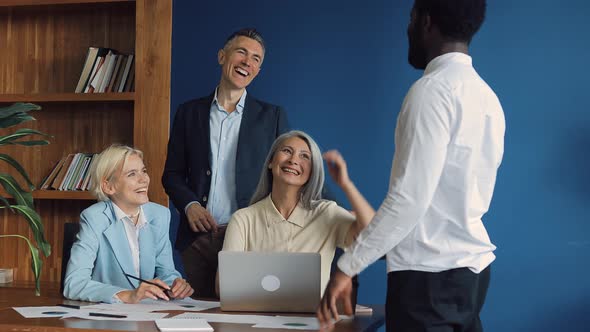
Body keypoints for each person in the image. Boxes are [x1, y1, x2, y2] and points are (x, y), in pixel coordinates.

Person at [318, 0, 505, 331]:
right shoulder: (487, 97)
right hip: (471, 274)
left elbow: (408, 199)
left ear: (426, 22)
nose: (408, 27)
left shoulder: (430, 92)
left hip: (428, 280)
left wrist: (346, 267)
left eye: (411, 17)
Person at [162, 28, 288, 298]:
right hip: (195, 242)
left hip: (249, 241)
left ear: (258, 70)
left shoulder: (272, 117)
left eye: (256, 59)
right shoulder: (189, 112)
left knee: (242, 320)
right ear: (222, 56)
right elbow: (171, 174)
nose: (247, 62)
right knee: (189, 320)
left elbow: (287, 180)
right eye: (241, 52)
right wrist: (190, 205)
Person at [220, 130, 375, 295]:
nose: (294, 160)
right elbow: (222, 285)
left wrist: (346, 184)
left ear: (312, 172)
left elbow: (374, 234)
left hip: (311, 318)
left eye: (304, 156)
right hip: (256, 316)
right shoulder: (242, 219)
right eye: (287, 151)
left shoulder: (327, 213)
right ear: (271, 162)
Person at [64, 145, 194, 303]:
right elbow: (74, 284)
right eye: (132, 174)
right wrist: (130, 295)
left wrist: (175, 286)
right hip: (107, 318)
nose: (144, 179)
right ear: (109, 186)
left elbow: (166, 273)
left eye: (144, 171)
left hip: (146, 315)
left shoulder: (159, 215)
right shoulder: (94, 218)